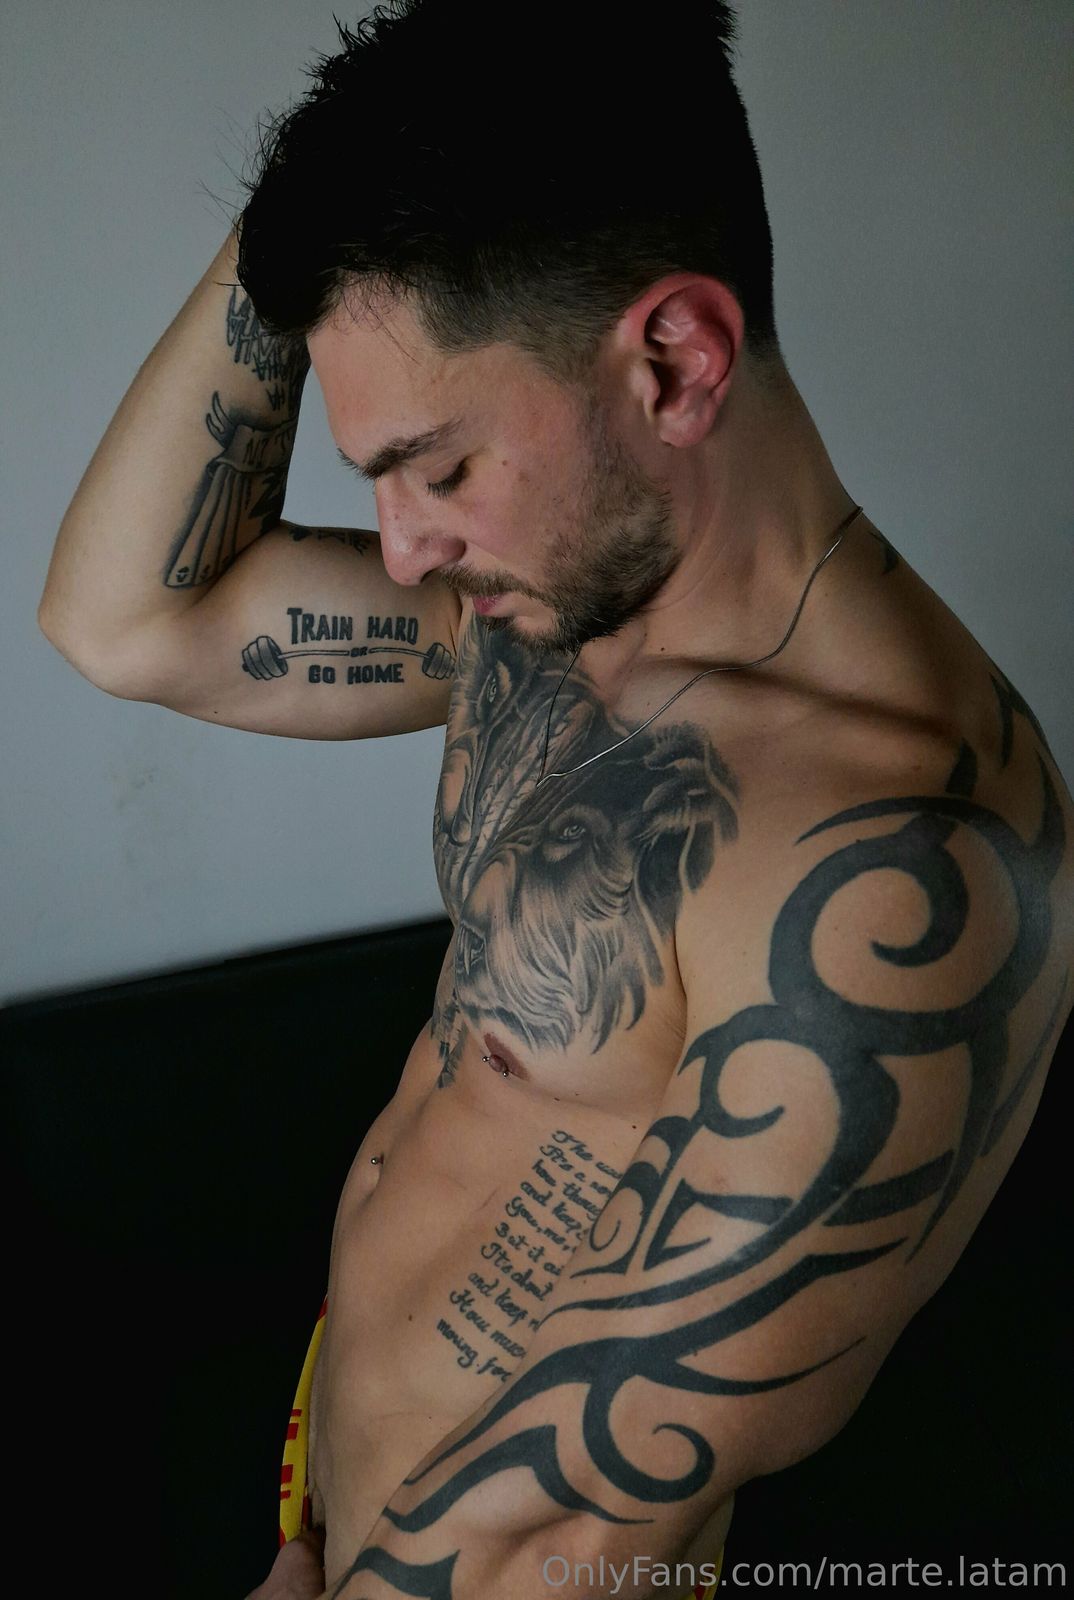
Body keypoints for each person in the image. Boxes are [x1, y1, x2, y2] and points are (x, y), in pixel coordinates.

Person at [38, 2, 1073, 1597]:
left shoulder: (904, 859)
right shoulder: (537, 629)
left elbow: (580, 1523)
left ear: (674, 361)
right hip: (325, 1493)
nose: (402, 547)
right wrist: (325, 185)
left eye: (439, 468)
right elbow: (131, 622)